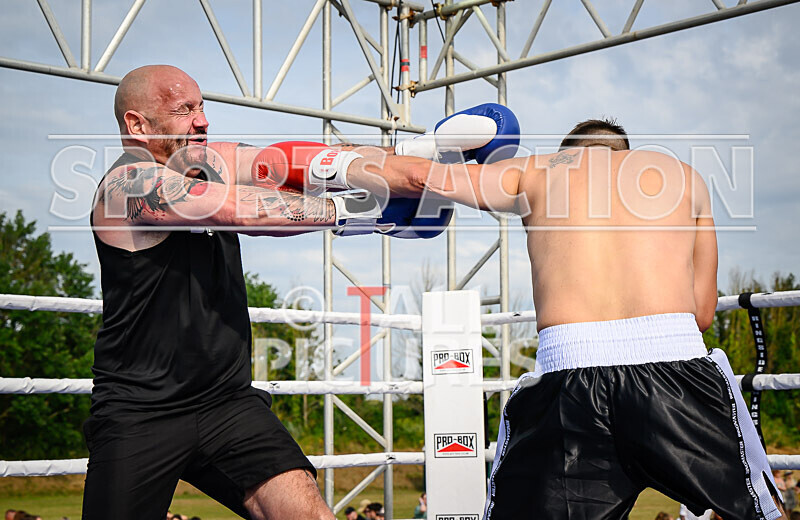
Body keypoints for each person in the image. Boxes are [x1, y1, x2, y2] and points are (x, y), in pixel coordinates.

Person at [337, 118, 787, 519]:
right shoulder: (683, 177)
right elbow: (703, 313)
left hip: (569, 379)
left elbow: (415, 175)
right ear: (625, 153)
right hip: (677, 370)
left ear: (567, 151)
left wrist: (341, 162)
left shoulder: (536, 170)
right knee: (758, 512)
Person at [83, 64, 419, 520]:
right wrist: (358, 211)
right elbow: (238, 210)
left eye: (202, 107)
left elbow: (294, 161)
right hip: (140, 412)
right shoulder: (125, 186)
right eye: (184, 110)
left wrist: (418, 162)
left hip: (227, 404)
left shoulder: (210, 161)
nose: (202, 120)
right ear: (137, 124)